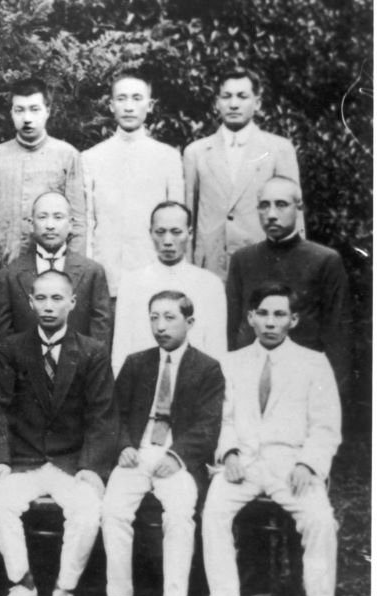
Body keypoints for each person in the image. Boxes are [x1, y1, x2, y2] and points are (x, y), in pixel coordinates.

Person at [202, 283, 355, 596]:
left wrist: (308, 463)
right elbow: (223, 419)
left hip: (291, 465)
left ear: (293, 319)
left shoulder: (313, 363)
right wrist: (229, 454)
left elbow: (325, 426)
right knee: (214, 513)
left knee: (320, 519)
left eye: (280, 314)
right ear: (251, 318)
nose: (271, 322)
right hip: (243, 463)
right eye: (264, 314)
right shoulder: (231, 362)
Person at [0, 269, 115, 596]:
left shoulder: (92, 352)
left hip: (71, 462)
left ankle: (64, 589)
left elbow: (102, 416)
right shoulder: (12, 349)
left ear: (73, 302)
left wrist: (91, 466)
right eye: (41, 298)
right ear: (30, 302)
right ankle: (22, 583)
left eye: (57, 298)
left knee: (88, 509)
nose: (49, 306)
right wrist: (0, 460)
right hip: (24, 460)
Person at [98, 291, 224, 596]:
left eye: (169, 317)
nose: (160, 326)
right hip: (137, 453)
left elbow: (208, 425)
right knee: (113, 511)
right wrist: (123, 446)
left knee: (180, 516)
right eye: (154, 317)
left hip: (177, 458)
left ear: (190, 322)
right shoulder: (136, 363)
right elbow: (114, 414)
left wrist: (178, 455)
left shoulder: (207, 368)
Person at [226, 176, 351, 391]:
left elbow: (338, 337)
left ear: (299, 208)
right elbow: (232, 327)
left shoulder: (324, 260)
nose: (271, 214)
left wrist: (332, 394)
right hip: (250, 379)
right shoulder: (242, 259)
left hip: (303, 381)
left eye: (281, 204)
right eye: (264, 206)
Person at [183, 66, 302, 279]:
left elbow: (294, 217)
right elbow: (187, 218)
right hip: (209, 269)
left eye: (242, 96)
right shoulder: (196, 152)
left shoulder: (279, 149)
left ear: (257, 103)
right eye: (226, 96)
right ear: (217, 103)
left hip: (264, 265)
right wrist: (187, 271)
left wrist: (292, 271)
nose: (234, 104)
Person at [82, 71, 184, 297]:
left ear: (150, 105)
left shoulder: (168, 157)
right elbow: (88, 223)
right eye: (122, 99)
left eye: (137, 98)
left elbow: (177, 223)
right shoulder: (91, 158)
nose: (129, 107)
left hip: (154, 277)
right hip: (106, 277)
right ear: (111, 105)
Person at [0, 77, 86, 265]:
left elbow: (78, 221)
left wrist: (72, 268)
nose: (27, 118)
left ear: (47, 111)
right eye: (19, 110)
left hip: (53, 267)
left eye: (34, 109)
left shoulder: (67, 156)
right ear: (11, 112)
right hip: (4, 266)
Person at [111, 201, 225, 374]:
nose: (167, 241)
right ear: (150, 233)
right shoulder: (131, 283)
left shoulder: (210, 284)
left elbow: (217, 350)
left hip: (195, 383)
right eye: (160, 232)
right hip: (143, 381)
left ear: (190, 233)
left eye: (176, 232)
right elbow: (121, 349)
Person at [0, 191, 110, 344]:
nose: (50, 226)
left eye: (58, 217)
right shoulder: (9, 274)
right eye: (42, 217)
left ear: (70, 224)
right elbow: (2, 335)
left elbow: (100, 337)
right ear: (31, 224)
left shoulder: (92, 272)